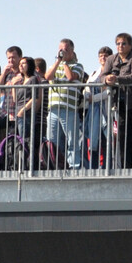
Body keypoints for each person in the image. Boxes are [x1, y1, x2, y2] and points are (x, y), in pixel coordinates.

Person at [101, 33, 132, 169]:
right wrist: (107, 79)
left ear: (130, 45)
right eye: (118, 43)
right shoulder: (111, 59)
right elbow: (103, 75)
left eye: (124, 43)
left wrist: (117, 79)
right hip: (119, 104)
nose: (120, 46)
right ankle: (125, 166)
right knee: (122, 137)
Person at [45, 39, 85, 170]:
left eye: (65, 50)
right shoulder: (55, 66)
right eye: (60, 49)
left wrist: (65, 63)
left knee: (72, 141)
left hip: (69, 109)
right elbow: (48, 76)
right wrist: (58, 61)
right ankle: (54, 165)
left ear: (72, 51)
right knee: (52, 141)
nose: (62, 52)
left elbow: (70, 77)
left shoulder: (78, 66)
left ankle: (74, 166)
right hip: (53, 110)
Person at [83, 46, 113, 169]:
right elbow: (86, 88)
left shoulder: (112, 74)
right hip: (93, 113)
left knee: (107, 141)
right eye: (100, 55)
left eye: (105, 55)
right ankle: (93, 168)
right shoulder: (94, 74)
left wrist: (93, 98)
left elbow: (109, 92)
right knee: (93, 142)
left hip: (105, 112)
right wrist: (87, 95)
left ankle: (108, 167)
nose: (103, 58)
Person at [13, 56, 44, 164]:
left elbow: (34, 98)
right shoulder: (22, 81)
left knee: (26, 139)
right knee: (20, 140)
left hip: (26, 113)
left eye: (24, 63)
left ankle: (28, 164)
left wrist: (23, 110)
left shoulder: (33, 79)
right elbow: (15, 98)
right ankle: (21, 163)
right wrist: (14, 84)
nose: (21, 65)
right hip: (19, 113)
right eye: (20, 63)